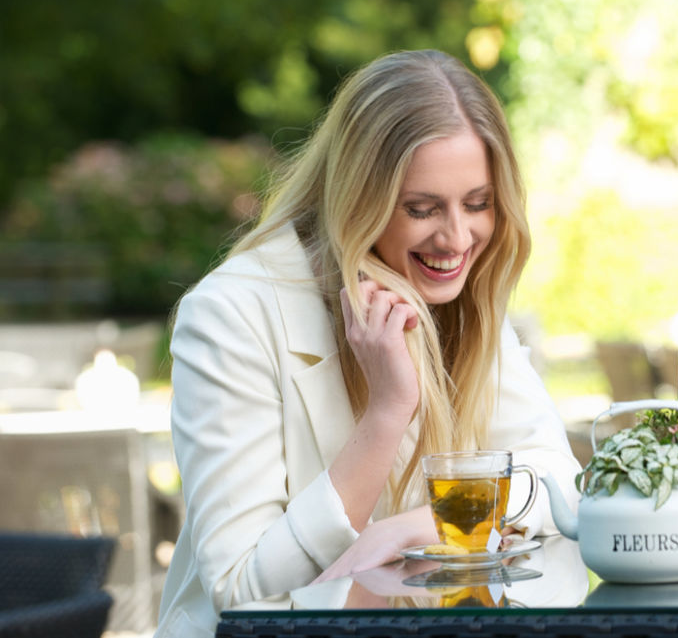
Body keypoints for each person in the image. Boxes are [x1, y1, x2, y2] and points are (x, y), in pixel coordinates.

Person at [156, 49, 581, 637]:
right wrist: (386, 414)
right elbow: (241, 583)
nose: (457, 237)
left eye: (478, 204)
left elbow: (559, 480)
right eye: (421, 208)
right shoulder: (230, 314)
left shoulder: (466, 294)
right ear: (359, 196)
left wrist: (414, 528)